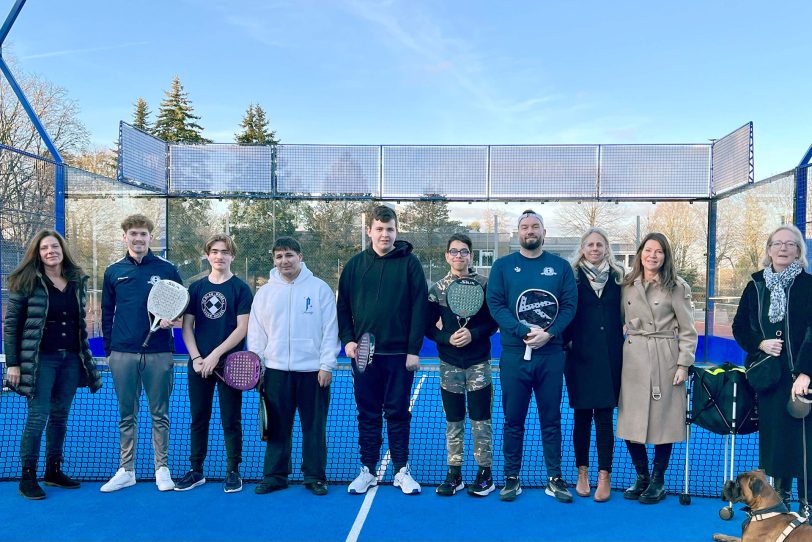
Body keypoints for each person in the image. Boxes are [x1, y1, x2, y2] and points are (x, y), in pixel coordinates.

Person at [486, 210, 578, 503]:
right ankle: (511, 478)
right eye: (524, 227)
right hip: (514, 356)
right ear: (518, 233)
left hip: (551, 355)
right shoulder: (502, 267)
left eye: (535, 226)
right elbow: (496, 304)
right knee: (513, 420)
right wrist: (523, 330)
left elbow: (568, 306)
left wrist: (548, 334)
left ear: (543, 232)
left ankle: (555, 478)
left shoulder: (561, 267)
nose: (530, 231)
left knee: (551, 420)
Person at [3, 230, 102, 500]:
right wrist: (13, 363)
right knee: (37, 418)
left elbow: (79, 323)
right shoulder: (25, 281)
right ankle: (27, 476)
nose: (50, 251)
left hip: (70, 359)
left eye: (54, 247)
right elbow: (11, 327)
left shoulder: (76, 280)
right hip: (39, 361)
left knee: (60, 417)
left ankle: (53, 471)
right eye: (45, 248)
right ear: (37, 252)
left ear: (62, 250)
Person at [337, 205, 428, 495]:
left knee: (399, 412)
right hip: (364, 357)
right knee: (367, 413)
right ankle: (368, 469)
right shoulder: (354, 265)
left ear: (396, 231)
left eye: (389, 229)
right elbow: (343, 308)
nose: (384, 234)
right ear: (369, 231)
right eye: (379, 229)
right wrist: (349, 341)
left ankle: (401, 470)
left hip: (400, 355)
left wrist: (414, 350)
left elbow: (419, 308)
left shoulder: (410, 264)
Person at [248, 237, 340, 496]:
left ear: (300, 256)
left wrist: (326, 365)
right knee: (277, 427)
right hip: (276, 372)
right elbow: (256, 333)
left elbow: (330, 330)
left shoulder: (320, 288)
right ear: (273, 260)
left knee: (314, 428)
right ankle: (275, 476)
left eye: (289, 255)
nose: (284, 261)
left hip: (313, 373)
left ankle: (315, 476)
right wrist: (259, 367)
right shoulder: (265, 292)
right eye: (278, 257)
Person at [732, 224, 812, 517]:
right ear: (768, 250)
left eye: (790, 244)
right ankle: (781, 502)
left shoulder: (808, 285)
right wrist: (760, 344)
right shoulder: (755, 285)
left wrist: (806, 372)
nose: (783, 248)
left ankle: (807, 505)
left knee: (804, 443)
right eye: (777, 243)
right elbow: (740, 327)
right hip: (769, 380)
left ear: (798, 252)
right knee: (775, 444)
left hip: (801, 380)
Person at [100, 214, 183, 492]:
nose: (138, 238)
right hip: (122, 353)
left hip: (159, 352)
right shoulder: (113, 271)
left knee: (160, 414)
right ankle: (127, 470)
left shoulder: (168, 270)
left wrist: (174, 319)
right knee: (127, 414)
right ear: (125, 237)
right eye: (133, 234)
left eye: (143, 234)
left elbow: (181, 305)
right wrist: (111, 351)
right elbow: (106, 313)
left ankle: (162, 468)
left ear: (150, 237)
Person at [616, 232, 697, 504]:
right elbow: (617, 319)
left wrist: (684, 364)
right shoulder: (626, 285)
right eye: (648, 250)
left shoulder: (677, 286)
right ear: (640, 253)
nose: (653, 255)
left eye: (659, 251)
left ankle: (658, 480)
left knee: (665, 420)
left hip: (665, 358)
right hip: (633, 359)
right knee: (630, 419)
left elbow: (688, 330)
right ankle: (642, 477)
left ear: (665, 256)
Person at [176, 234, 253, 493]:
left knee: (231, 419)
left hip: (230, 365)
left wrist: (215, 356)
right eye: (215, 251)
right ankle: (196, 470)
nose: (220, 256)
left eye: (225, 252)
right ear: (208, 255)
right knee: (199, 417)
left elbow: (242, 328)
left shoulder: (240, 288)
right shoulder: (196, 289)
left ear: (233, 256)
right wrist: (197, 358)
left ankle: (233, 471)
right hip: (199, 366)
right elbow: (187, 328)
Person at [427, 233, 498, 497]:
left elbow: (493, 322)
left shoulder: (485, 285)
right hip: (449, 365)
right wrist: (447, 338)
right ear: (447, 256)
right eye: (454, 251)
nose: (459, 256)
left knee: (481, 420)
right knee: (453, 420)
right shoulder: (437, 290)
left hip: (479, 363)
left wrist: (474, 334)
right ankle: (454, 474)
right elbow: (427, 327)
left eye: (464, 251)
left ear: (470, 256)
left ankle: (484, 474)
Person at [564, 228, 624, 502]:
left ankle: (604, 476)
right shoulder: (571, 277)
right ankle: (582, 473)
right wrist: (568, 343)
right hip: (579, 359)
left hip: (611, 357)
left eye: (600, 244)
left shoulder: (620, 278)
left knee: (604, 418)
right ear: (582, 248)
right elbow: (563, 312)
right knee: (581, 418)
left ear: (606, 248)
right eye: (590, 244)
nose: (595, 248)